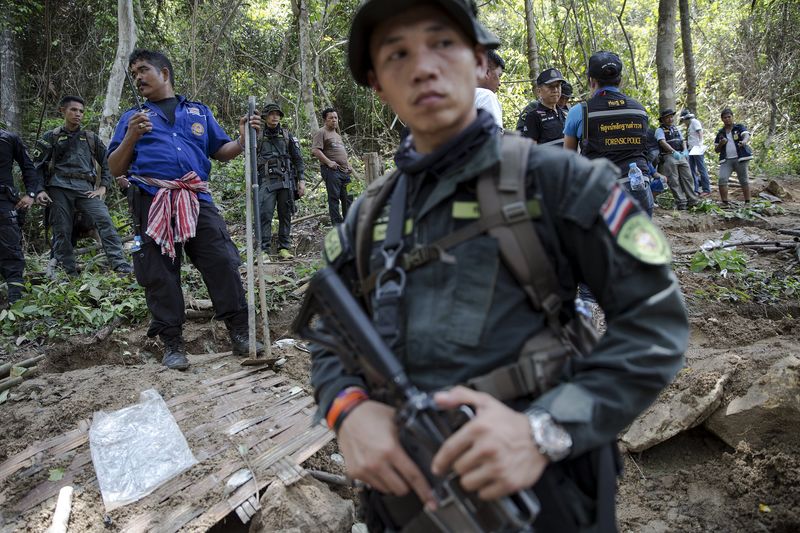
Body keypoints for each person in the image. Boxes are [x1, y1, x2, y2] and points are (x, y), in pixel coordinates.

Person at [313, 3, 689, 532]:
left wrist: (545, 430)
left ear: (478, 59)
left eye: (441, 43)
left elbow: (655, 324)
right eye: (397, 53)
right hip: (406, 496)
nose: (422, 67)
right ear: (377, 84)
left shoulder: (561, 181)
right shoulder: (367, 214)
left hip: (541, 492)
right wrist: (347, 410)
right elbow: (330, 332)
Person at [107, 49, 264, 371]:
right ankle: (173, 344)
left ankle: (240, 333)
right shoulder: (131, 118)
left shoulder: (198, 112)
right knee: (158, 272)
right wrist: (133, 136)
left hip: (196, 198)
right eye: (133, 73)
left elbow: (222, 151)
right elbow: (114, 167)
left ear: (164, 73)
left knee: (221, 260)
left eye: (143, 70)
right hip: (151, 200)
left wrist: (244, 137)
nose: (137, 78)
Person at [31, 96, 132, 276]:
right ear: (63, 111)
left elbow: (109, 160)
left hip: (85, 188)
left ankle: (119, 264)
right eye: (73, 110)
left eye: (81, 111)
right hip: (58, 188)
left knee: (104, 220)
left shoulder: (90, 137)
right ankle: (67, 271)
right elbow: (36, 167)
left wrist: (104, 187)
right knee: (62, 229)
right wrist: (39, 191)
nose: (78, 114)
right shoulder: (51, 136)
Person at [563, 51, 655, 217]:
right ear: (619, 80)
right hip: (639, 188)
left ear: (591, 81)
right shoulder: (639, 109)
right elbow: (644, 149)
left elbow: (568, 160)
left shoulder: (580, 112)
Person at [0, 129, 48, 305]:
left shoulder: (8, 138)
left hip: (4, 202)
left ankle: (15, 304)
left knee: (11, 253)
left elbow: (28, 166)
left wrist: (31, 194)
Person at [256, 102, 305, 259]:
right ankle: (263, 250)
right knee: (265, 214)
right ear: (265, 117)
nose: (275, 116)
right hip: (266, 180)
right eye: (271, 114)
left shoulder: (286, 135)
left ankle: (284, 248)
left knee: (285, 214)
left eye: (277, 114)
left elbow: (298, 159)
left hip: (285, 180)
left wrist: (301, 181)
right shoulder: (257, 135)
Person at [312, 108, 353, 224]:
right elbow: (315, 150)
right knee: (334, 198)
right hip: (331, 170)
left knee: (348, 197)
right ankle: (337, 225)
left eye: (335, 118)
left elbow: (342, 153)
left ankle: (348, 223)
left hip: (344, 171)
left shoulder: (337, 135)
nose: (334, 120)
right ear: (325, 120)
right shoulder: (321, 132)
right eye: (331, 118)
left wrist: (349, 165)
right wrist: (329, 162)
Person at [655, 109, 698, 210]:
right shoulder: (660, 130)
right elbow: (662, 142)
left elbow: (682, 140)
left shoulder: (676, 129)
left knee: (688, 177)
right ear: (663, 119)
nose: (670, 119)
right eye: (667, 117)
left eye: (671, 117)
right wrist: (673, 152)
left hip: (680, 154)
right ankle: (681, 202)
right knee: (674, 179)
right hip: (669, 156)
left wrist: (685, 150)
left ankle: (692, 200)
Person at [713, 108, 752, 206]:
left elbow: (746, 135)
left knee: (743, 180)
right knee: (722, 179)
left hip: (740, 158)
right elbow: (716, 149)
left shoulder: (739, 127)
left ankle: (747, 202)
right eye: (725, 117)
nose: (727, 119)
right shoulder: (720, 133)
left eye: (729, 117)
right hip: (726, 160)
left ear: (732, 117)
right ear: (722, 119)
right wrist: (721, 144)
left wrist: (744, 142)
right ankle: (725, 202)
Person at [520, 68, 566, 147]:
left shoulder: (565, 114)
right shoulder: (533, 117)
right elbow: (531, 150)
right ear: (539, 91)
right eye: (551, 86)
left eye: (558, 86)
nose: (555, 90)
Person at [679, 109, 710, 196]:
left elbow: (700, 132)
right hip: (690, 149)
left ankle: (706, 189)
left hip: (697, 147)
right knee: (692, 169)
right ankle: (695, 189)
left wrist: (700, 143)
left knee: (701, 169)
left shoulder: (694, 122)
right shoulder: (689, 125)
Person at [473, 49, 504, 131]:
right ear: (486, 72)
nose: (500, 83)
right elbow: (493, 137)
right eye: (499, 76)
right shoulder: (486, 96)